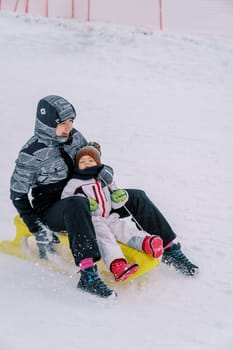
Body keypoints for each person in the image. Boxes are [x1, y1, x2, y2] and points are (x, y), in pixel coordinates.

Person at [10, 95, 199, 299]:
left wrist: (104, 174)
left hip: (89, 194)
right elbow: (17, 194)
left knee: (136, 196)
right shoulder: (31, 153)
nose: (68, 127)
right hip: (54, 209)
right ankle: (88, 275)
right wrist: (36, 228)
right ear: (46, 124)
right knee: (77, 203)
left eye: (70, 122)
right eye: (62, 124)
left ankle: (171, 250)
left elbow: (89, 161)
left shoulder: (75, 137)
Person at [61, 145, 164, 282]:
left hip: (109, 215)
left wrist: (119, 197)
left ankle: (146, 243)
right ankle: (117, 266)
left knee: (124, 229)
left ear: (97, 163)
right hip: (93, 220)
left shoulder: (102, 178)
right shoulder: (74, 182)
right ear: (78, 166)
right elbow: (66, 200)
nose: (87, 164)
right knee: (105, 238)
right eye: (82, 162)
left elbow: (114, 194)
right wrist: (84, 202)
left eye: (90, 161)